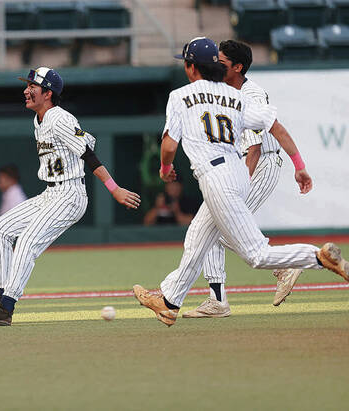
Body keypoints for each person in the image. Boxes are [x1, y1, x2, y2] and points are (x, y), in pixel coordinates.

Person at [132, 37, 349, 327]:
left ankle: (318, 257)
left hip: (216, 177)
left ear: (191, 66)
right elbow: (276, 126)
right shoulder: (235, 96)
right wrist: (299, 166)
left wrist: (164, 168)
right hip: (237, 171)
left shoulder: (181, 96)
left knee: (256, 254)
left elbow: (169, 145)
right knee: (198, 237)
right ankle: (170, 302)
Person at [0, 67, 141, 326]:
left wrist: (113, 188)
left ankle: (6, 307)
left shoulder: (59, 117)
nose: (26, 90)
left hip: (70, 194)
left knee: (26, 242)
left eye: (32, 86)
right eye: (27, 86)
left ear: (48, 93)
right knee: (0, 229)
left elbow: (88, 154)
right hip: (51, 192)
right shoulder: (39, 119)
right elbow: (86, 141)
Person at [183, 40, 303, 319]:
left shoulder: (252, 93)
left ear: (238, 67)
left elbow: (256, 147)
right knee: (211, 228)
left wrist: (241, 183)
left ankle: (284, 264)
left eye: (222, 62)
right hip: (236, 166)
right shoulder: (221, 90)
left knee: (224, 228)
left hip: (260, 165)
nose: (215, 65)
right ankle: (216, 299)